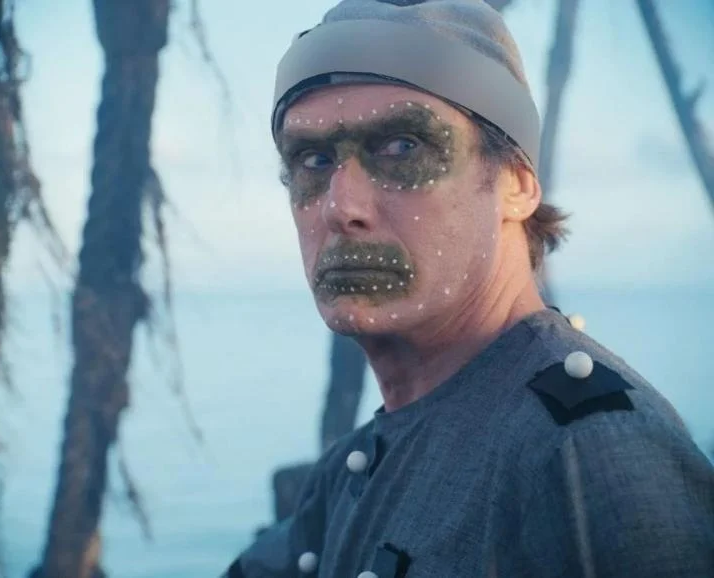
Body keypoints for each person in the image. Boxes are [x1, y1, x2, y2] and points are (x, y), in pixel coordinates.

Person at [222, 1, 714, 576]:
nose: (340, 206)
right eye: (314, 159)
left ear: (516, 185)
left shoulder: (589, 449)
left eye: (402, 147)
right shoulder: (349, 471)